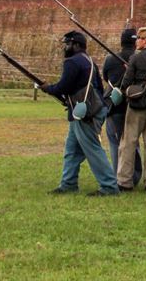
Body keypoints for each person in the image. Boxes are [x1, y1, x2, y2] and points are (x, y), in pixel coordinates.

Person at [41, 31, 119, 196]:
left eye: (68, 44)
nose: (66, 47)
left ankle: (109, 186)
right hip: (91, 109)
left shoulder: (72, 62)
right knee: (72, 150)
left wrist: (48, 89)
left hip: (85, 113)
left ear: (76, 45)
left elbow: (64, 87)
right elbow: (98, 87)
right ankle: (68, 183)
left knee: (93, 149)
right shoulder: (88, 61)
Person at [115, 26, 146, 191]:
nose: (136, 41)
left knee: (128, 143)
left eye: (139, 38)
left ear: (144, 40)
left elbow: (125, 83)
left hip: (137, 107)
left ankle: (124, 181)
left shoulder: (135, 59)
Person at [102, 27, 142, 187]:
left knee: (115, 143)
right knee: (133, 143)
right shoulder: (139, 59)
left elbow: (106, 77)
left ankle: (119, 177)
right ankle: (135, 175)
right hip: (134, 106)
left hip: (115, 106)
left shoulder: (111, 59)